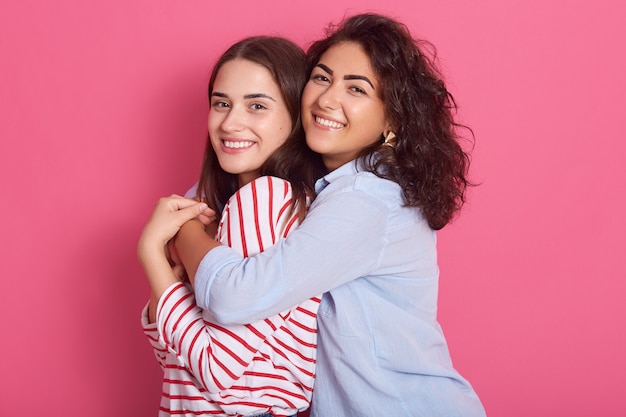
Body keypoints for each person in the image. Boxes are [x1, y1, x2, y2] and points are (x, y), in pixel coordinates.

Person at [171, 13, 488, 416]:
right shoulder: (325, 185)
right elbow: (212, 194)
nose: (327, 99)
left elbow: (234, 297)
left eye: (356, 88)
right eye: (321, 78)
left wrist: (183, 229)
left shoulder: (367, 200)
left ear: (392, 118)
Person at [138, 36, 325, 417]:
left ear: (294, 118)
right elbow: (177, 365)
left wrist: (151, 254)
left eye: (257, 106)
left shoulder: (267, 198)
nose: (230, 122)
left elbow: (214, 369)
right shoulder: (226, 208)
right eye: (221, 103)